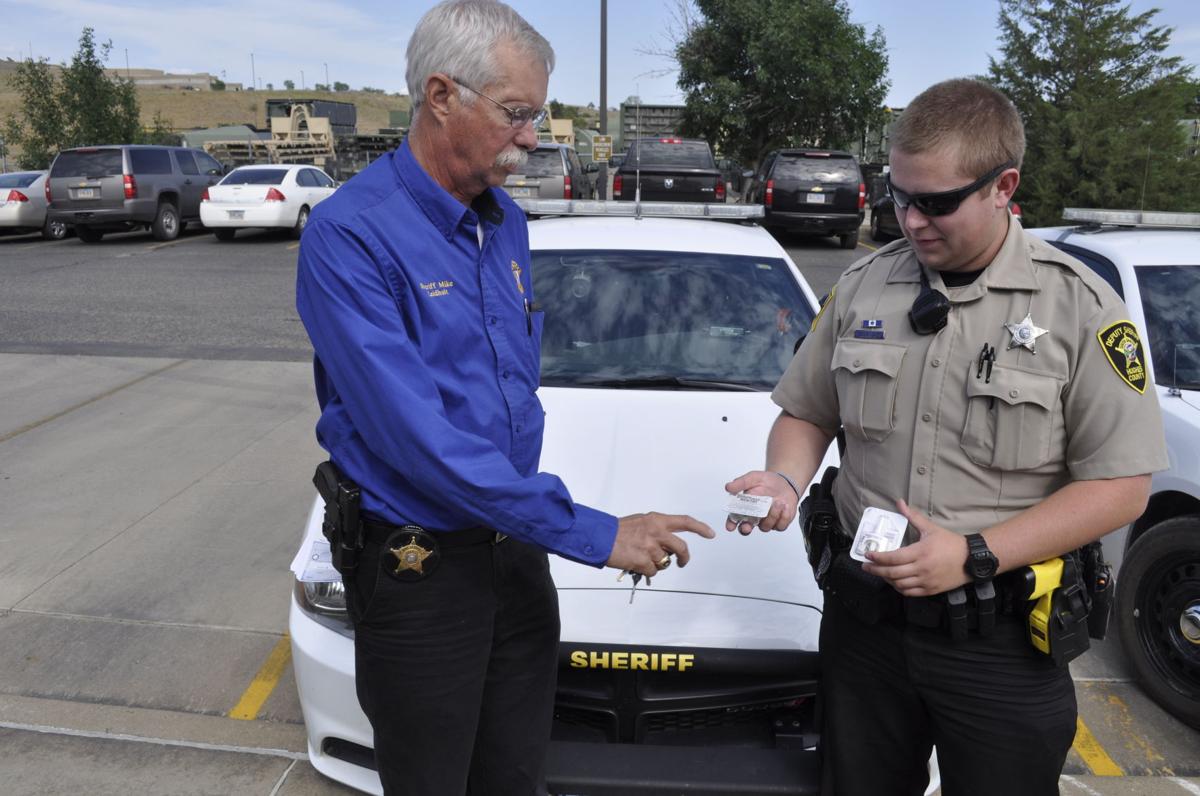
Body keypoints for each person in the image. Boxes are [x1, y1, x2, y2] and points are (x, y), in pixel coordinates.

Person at [295, 2, 713, 793]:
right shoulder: (351, 236)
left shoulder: (506, 223)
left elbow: (507, 393)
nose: (534, 135)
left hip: (512, 550)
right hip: (420, 569)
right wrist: (594, 532)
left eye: (539, 114)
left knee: (515, 774)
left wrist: (539, 525)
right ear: (442, 95)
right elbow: (418, 441)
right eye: (518, 113)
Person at [724, 78, 1167, 796]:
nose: (910, 219)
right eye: (897, 195)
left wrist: (974, 555)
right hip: (865, 629)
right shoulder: (865, 286)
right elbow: (808, 411)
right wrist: (783, 475)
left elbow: (1121, 486)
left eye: (936, 202)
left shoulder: (1082, 309)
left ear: (1004, 186)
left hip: (1000, 646)